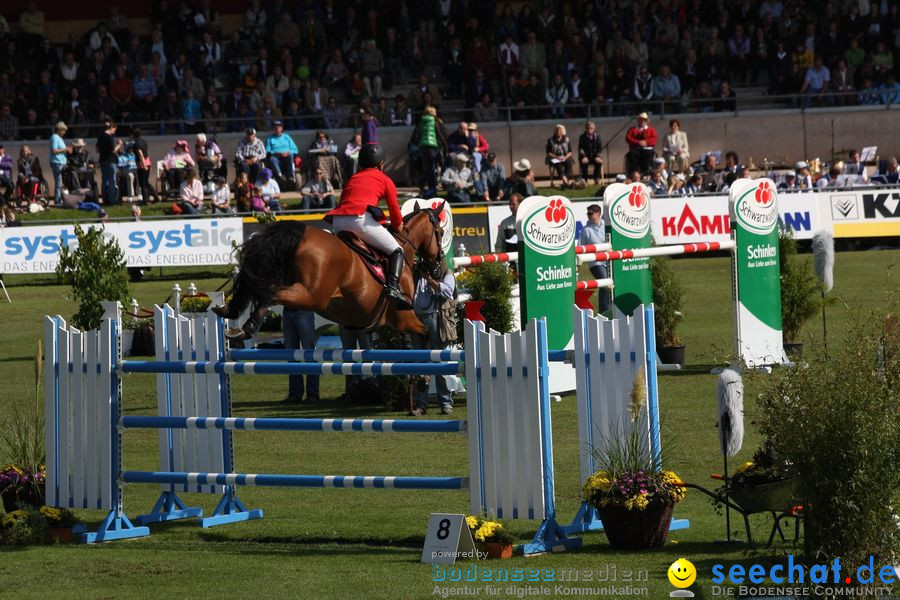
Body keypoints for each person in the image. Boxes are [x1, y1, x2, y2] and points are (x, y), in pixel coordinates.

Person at [326, 143, 412, 310]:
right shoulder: (385, 180)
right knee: (397, 251)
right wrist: (397, 226)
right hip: (359, 220)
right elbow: (396, 216)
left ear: (360, 164)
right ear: (381, 164)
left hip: (338, 221)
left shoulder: (353, 178)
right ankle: (393, 289)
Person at [409, 261, 457, 416]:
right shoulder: (414, 272)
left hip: (436, 317)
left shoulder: (446, 273)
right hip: (416, 318)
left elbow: (447, 292)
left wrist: (429, 279)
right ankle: (421, 405)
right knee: (418, 363)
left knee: (439, 361)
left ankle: (445, 403)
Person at [282, 308, 320, 404]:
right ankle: (295, 394)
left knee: (310, 356)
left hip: (304, 311)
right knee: (291, 357)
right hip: (287, 312)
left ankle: (312, 394)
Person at [580, 204, 610, 314]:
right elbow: (580, 248)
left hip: (609, 261)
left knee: (611, 284)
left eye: (590, 213)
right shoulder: (585, 230)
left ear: (598, 213)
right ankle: (603, 311)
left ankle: (611, 307)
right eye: (587, 213)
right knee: (604, 281)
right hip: (595, 263)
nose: (588, 215)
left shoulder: (606, 226)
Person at [415, 106, 444, 198]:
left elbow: (417, 134)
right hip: (431, 146)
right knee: (430, 166)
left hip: (422, 146)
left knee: (429, 166)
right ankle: (421, 181)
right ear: (432, 113)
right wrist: (445, 144)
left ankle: (432, 188)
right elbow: (439, 134)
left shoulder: (421, 122)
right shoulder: (434, 121)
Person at [131, 128, 159, 204]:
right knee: (146, 182)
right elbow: (147, 152)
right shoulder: (144, 141)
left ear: (133, 135)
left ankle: (145, 201)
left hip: (142, 165)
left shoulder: (136, 143)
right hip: (147, 162)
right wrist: (148, 163)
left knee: (142, 184)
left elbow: (140, 155)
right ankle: (156, 197)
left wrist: (143, 165)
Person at [96, 121, 121, 205]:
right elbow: (113, 150)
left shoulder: (100, 136)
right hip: (110, 161)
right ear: (111, 127)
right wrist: (119, 145)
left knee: (104, 180)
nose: (115, 131)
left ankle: (104, 199)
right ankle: (112, 200)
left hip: (102, 160)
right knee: (111, 181)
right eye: (114, 129)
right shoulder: (110, 137)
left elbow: (97, 149)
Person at [49, 121, 71, 206]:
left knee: (61, 183)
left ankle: (60, 200)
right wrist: (65, 149)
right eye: (63, 130)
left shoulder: (60, 138)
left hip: (61, 162)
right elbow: (53, 150)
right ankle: (57, 202)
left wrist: (68, 149)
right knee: (58, 183)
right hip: (57, 162)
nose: (64, 132)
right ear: (59, 130)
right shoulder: (55, 137)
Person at [545, 124, 575, 188]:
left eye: (560, 131)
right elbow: (548, 152)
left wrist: (565, 157)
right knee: (558, 164)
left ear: (563, 132)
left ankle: (565, 180)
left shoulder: (566, 139)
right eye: (557, 131)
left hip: (565, 157)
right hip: (554, 157)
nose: (558, 132)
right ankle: (565, 180)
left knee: (569, 163)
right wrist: (556, 157)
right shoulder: (551, 140)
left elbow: (570, 151)